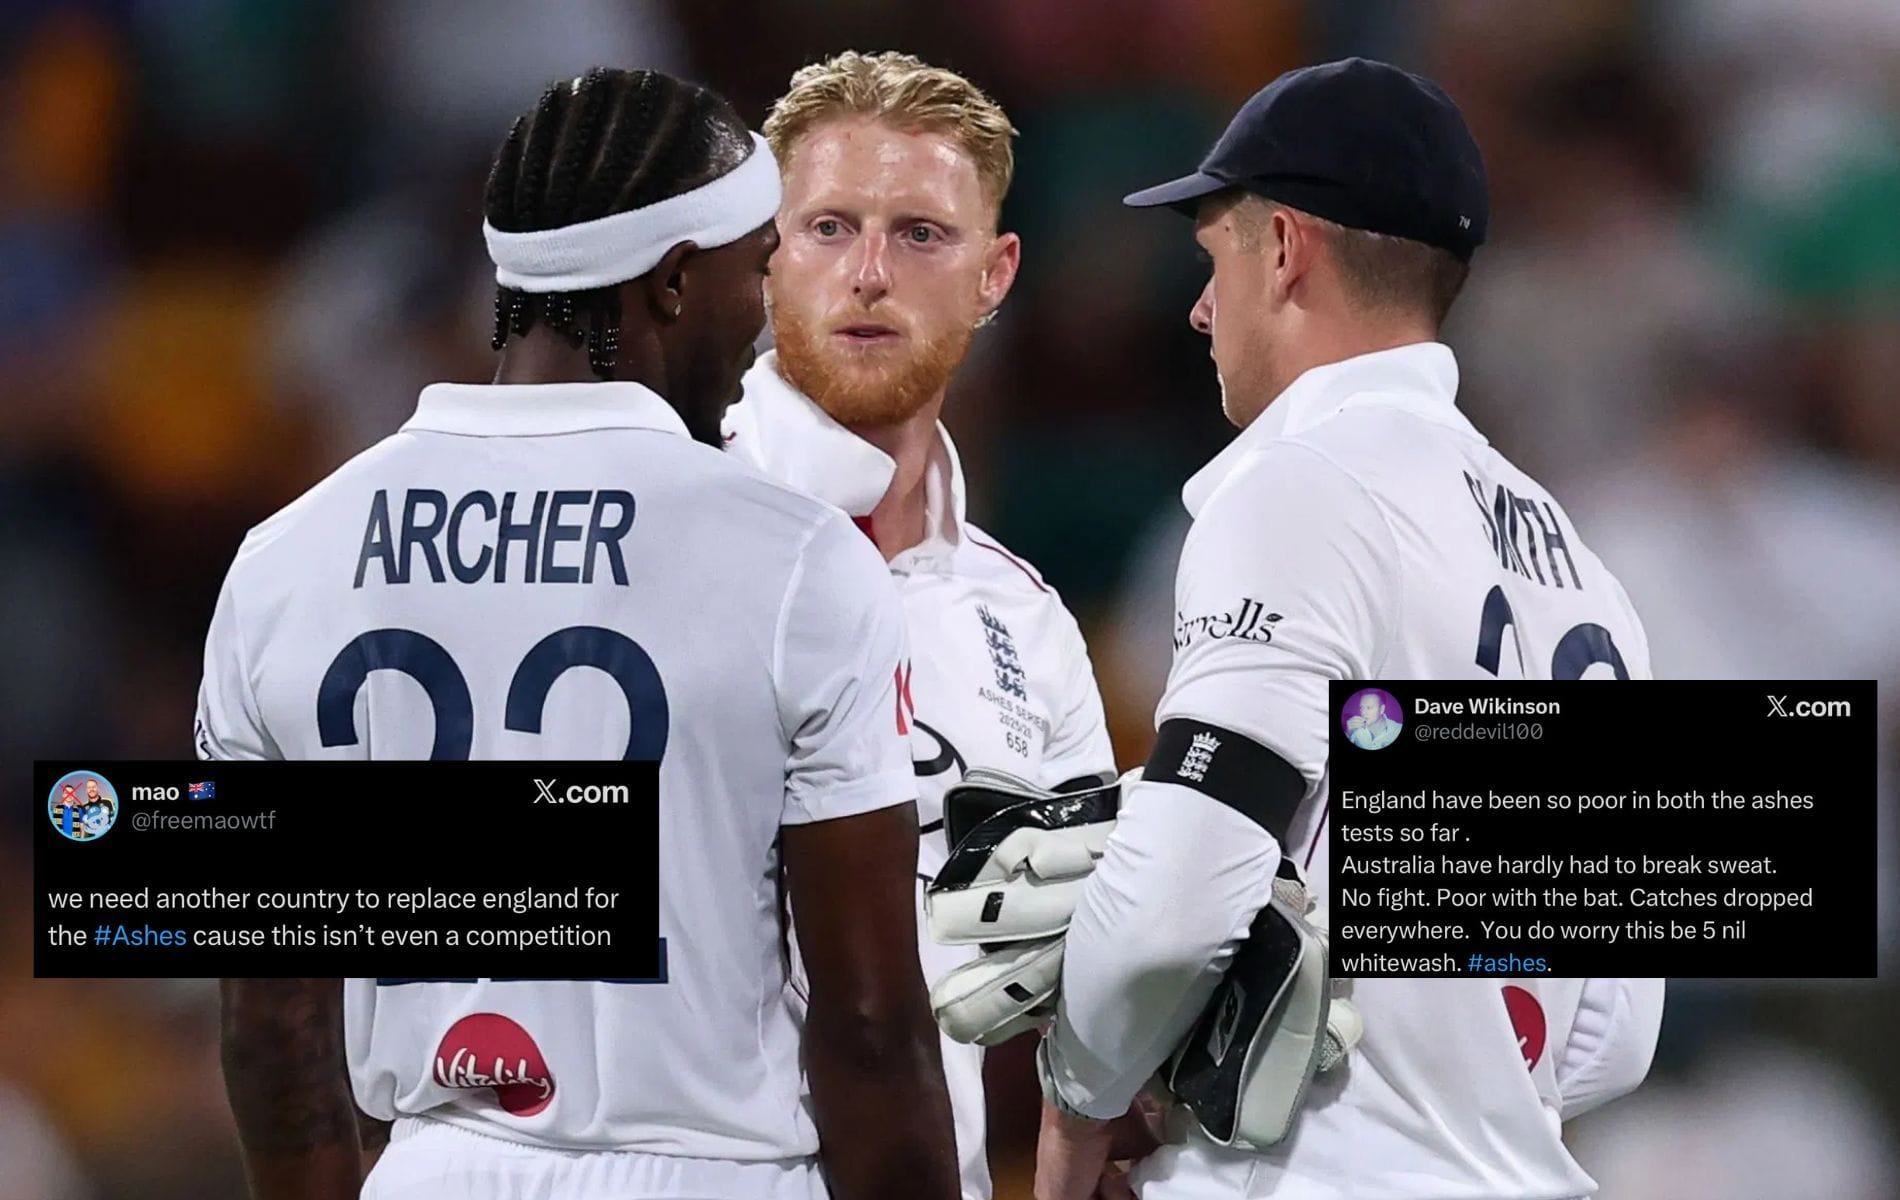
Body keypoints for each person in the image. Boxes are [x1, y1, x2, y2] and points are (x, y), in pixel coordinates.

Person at [200, 68, 958, 1200]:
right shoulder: (796, 560)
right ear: (668, 282)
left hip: (433, 1165)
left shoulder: (284, 558)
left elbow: (271, 1030)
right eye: (752, 270)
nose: (767, 316)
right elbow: (867, 1028)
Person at [1032, 59, 1665, 1200]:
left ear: (1281, 248)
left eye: (1210, 258)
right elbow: (1613, 1035)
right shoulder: (1582, 567)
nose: (1198, 307)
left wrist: (1079, 1098)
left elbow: (1177, 909)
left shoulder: (1297, 487)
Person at [724, 51, 1115, 1200]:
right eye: (830, 227)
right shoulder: (654, 533)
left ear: (995, 275)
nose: (868, 275)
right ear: (765, 259)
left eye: (920, 235)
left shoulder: (1024, 620)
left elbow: (1082, 995)